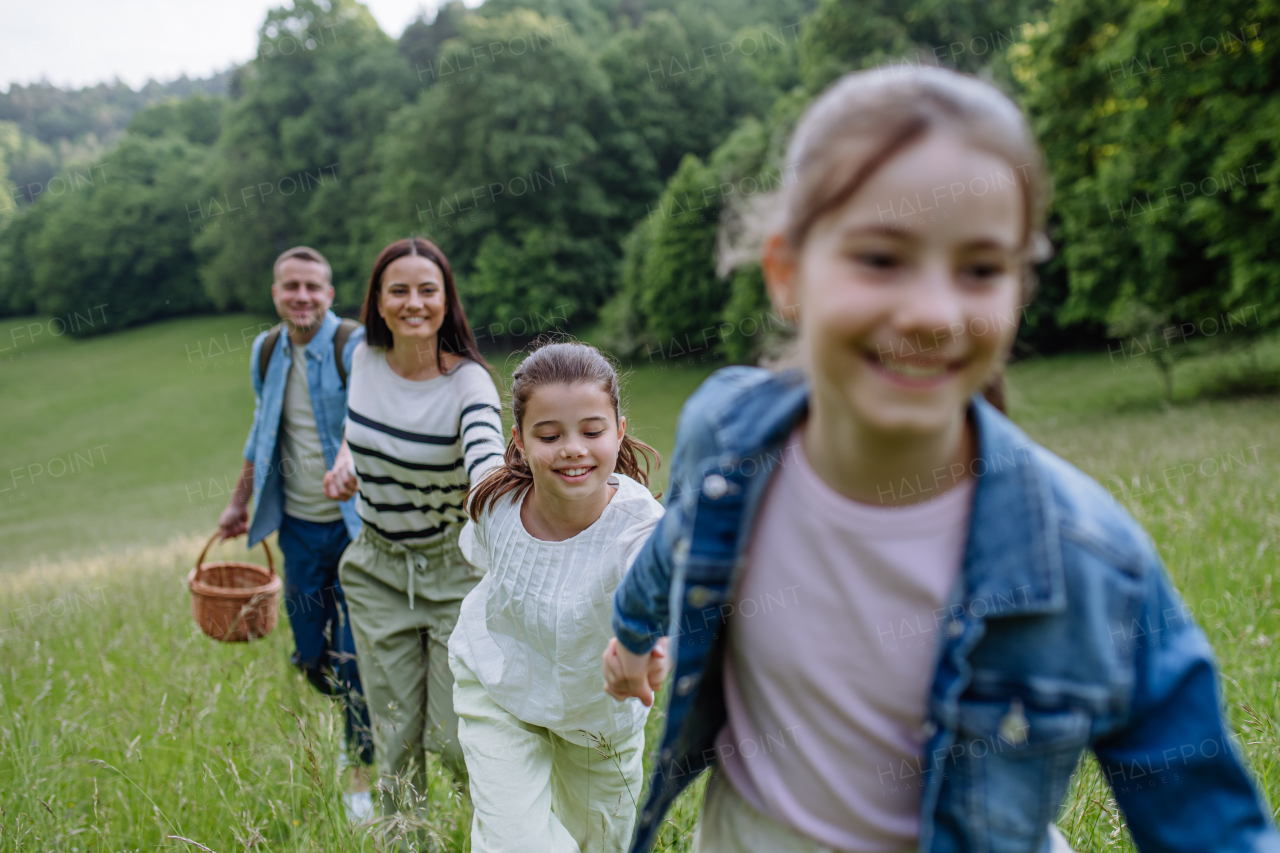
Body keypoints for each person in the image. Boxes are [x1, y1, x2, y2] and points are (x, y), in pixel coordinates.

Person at [603, 66, 1280, 853]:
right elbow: (676, 537)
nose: (932, 312)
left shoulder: (1088, 558)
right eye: (882, 258)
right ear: (787, 272)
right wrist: (629, 632)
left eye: (982, 269)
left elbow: (1210, 821)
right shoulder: (728, 432)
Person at [447, 341, 665, 853]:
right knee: (514, 844)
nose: (573, 448)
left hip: (599, 715)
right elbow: (486, 554)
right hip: (499, 687)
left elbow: (665, 600)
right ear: (520, 440)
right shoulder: (496, 505)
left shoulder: (640, 529)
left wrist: (656, 653)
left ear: (619, 432)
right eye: (550, 435)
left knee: (605, 843)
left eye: (592, 431)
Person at [323, 237, 504, 835]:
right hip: (375, 570)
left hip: (454, 574)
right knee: (395, 742)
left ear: (446, 299)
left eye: (427, 289)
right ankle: (409, 846)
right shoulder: (359, 354)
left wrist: (494, 491)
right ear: (377, 299)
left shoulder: (469, 385)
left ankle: (502, 837)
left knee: (455, 742)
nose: (413, 302)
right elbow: (365, 418)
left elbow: (485, 458)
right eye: (398, 289)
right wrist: (350, 457)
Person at [219, 245, 374, 790]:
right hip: (300, 529)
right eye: (292, 286)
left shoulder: (352, 343)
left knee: (356, 653)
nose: (303, 296)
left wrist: (348, 457)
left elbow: (366, 412)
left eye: (313, 286)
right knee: (311, 654)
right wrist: (239, 503)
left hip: (358, 526)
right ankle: (363, 716)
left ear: (330, 294)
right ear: (276, 294)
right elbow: (261, 432)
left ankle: (362, 766)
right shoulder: (266, 351)